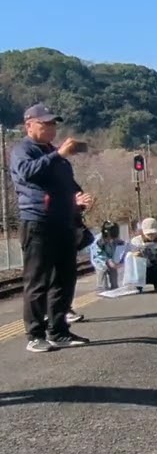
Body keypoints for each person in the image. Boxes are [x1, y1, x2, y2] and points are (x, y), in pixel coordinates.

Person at [9, 103, 93, 352]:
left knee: (64, 279)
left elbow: (69, 185)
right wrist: (58, 155)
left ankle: (59, 330)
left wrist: (79, 198)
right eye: (45, 123)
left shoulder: (55, 154)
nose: (51, 128)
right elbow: (27, 173)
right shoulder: (23, 150)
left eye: (54, 124)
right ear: (29, 125)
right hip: (38, 222)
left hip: (64, 222)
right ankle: (35, 334)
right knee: (38, 281)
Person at [129, 218, 157, 292]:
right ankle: (139, 285)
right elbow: (130, 255)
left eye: (153, 233)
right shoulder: (136, 241)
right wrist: (135, 254)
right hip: (143, 267)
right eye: (148, 234)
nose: (151, 236)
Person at [89, 220, 127, 291]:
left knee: (114, 279)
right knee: (102, 274)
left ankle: (114, 288)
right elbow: (97, 255)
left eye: (114, 238)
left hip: (112, 261)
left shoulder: (117, 240)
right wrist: (108, 260)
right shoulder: (98, 241)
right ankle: (102, 288)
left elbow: (122, 249)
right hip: (100, 261)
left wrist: (120, 261)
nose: (112, 240)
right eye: (110, 238)